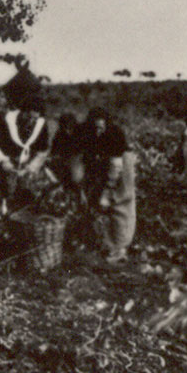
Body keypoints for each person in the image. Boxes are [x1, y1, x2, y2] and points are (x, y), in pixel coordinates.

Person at [79, 107, 136, 263]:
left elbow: (115, 165)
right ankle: (107, 244)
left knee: (120, 203)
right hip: (105, 166)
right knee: (100, 205)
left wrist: (107, 191)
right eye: (95, 127)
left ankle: (120, 248)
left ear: (106, 124)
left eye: (101, 127)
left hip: (121, 166)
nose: (98, 131)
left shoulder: (115, 134)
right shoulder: (88, 134)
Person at [0, 92, 49, 208]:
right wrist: (3, 161)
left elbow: (42, 151)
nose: (30, 122)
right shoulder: (1, 120)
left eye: (35, 119)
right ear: (21, 112)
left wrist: (29, 168)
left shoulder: (40, 125)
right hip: (1, 165)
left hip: (24, 169)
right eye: (28, 117)